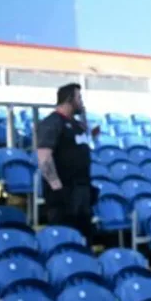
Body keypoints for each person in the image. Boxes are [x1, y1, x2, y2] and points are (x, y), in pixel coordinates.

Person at [35, 83, 94, 236]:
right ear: (69, 99)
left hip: (81, 190)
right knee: (64, 236)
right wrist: (56, 187)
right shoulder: (52, 122)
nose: (81, 102)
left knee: (83, 237)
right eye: (79, 98)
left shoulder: (77, 125)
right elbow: (44, 156)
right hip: (64, 193)